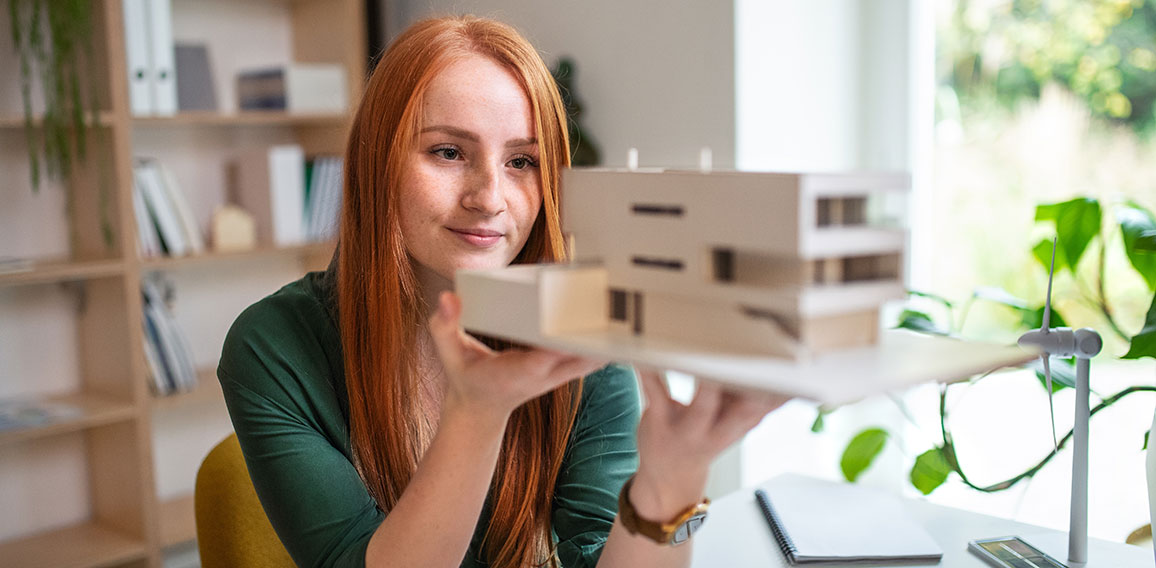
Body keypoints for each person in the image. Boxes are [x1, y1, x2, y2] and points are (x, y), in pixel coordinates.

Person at [217, 15, 787, 568]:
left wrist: (672, 480)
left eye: (522, 161)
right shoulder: (274, 345)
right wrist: (477, 412)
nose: (490, 196)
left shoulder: (581, 335)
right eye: (448, 152)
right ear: (377, 164)